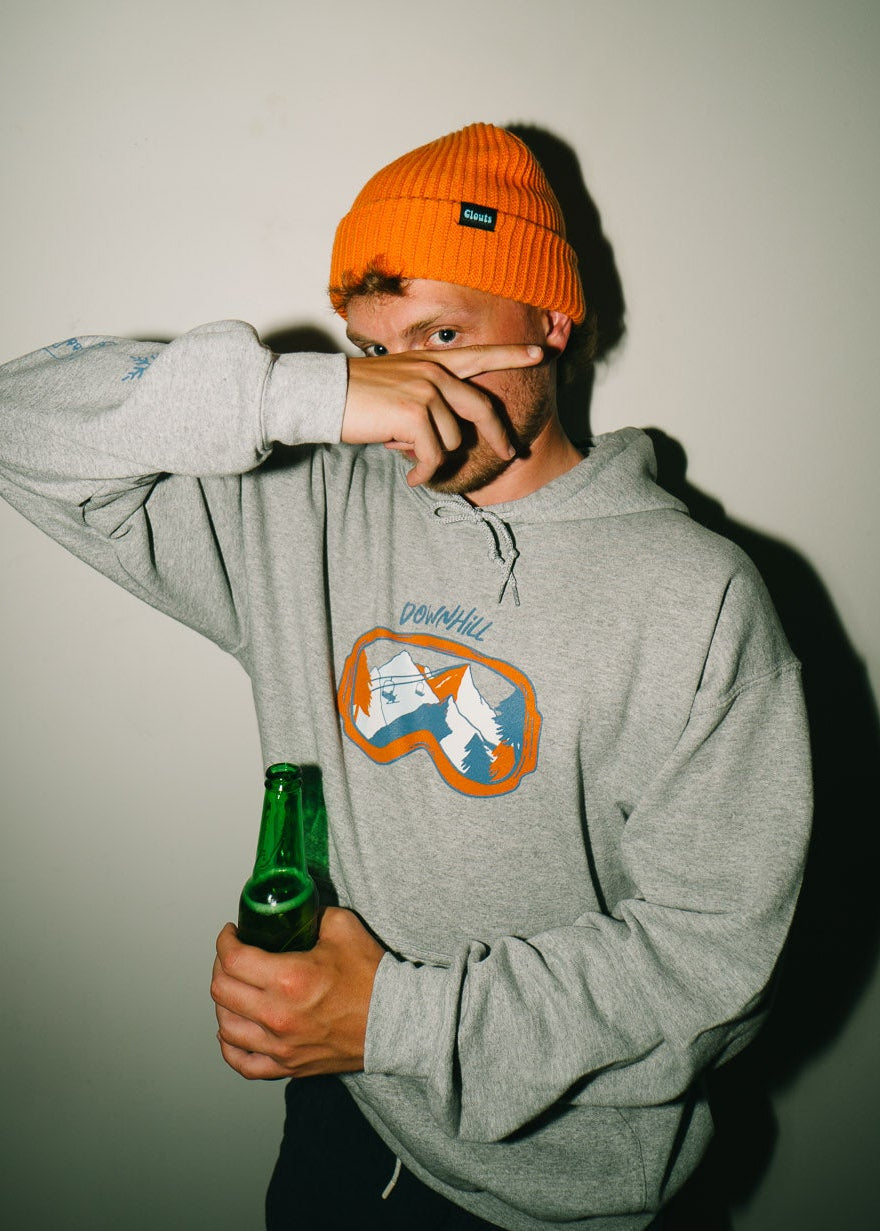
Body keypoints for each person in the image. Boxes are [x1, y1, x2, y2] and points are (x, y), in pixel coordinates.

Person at [0, 123, 811, 1230]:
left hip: (557, 1194)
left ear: (551, 321)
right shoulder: (303, 512)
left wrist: (397, 1021)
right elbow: (21, 416)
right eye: (375, 348)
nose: (411, 386)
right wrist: (304, 397)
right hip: (344, 1123)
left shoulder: (694, 596)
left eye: (443, 334)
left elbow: (713, 960)